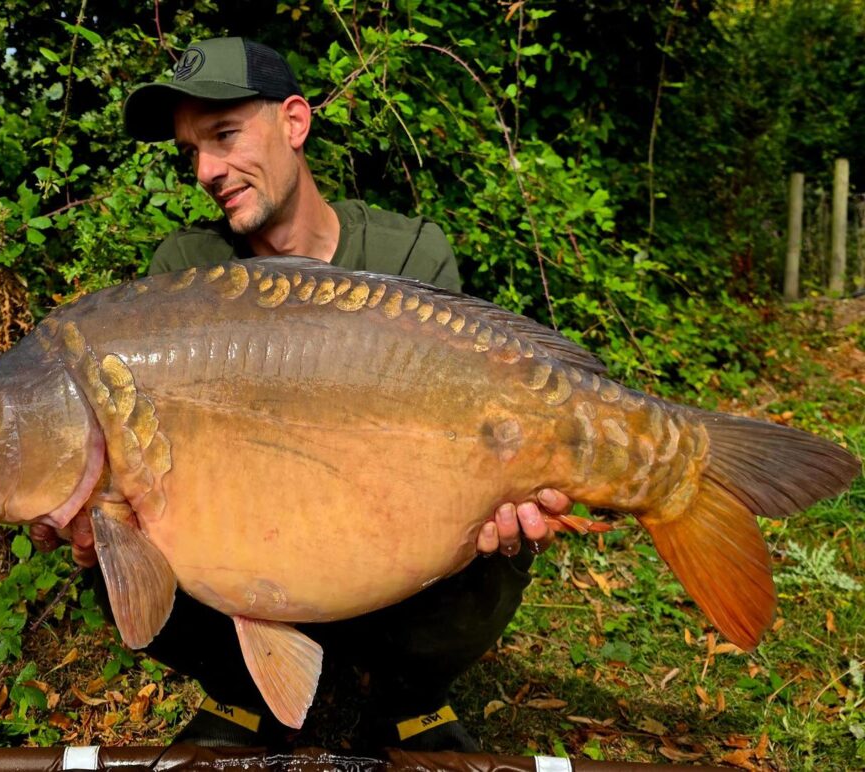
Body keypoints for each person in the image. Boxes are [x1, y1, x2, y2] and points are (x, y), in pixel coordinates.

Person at [31, 36, 572, 753]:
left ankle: (408, 698)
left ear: (293, 121)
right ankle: (244, 696)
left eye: (225, 135)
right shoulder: (185, 270)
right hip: (256, 549)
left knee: (500, 525)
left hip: (388, 537)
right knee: (111, 526)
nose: (206, 170)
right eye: (191, 151)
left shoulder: (407, 254)